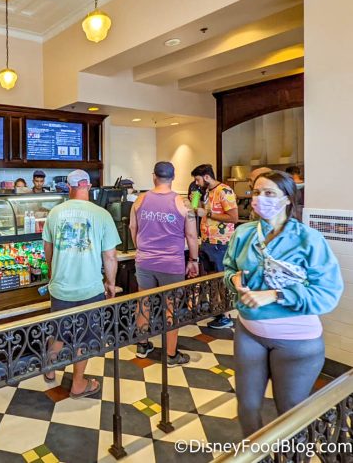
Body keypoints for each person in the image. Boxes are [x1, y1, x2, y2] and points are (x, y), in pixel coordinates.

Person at [223, 171, 342, 436]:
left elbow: (328, 293)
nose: (260, 199)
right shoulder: (243, 234)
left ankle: (292, 453)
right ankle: (256, 452)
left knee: (290, 412)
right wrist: (234, 279)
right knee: (247, 406)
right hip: (249, 332)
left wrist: (276, 294)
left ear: (287, 199)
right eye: (256, 192)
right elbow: (228, 268)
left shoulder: (308, 239)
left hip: (297, 340)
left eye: (269, 194)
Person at [42, 169, 120, 397]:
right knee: (84, 338)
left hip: (60, 287)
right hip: (90, 289)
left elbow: (48, 249)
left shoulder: (55, 213)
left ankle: (49, 369)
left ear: (69, 187)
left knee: (59, 332)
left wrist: (52, 274)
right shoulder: (102, 214)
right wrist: (111, 283)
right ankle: (78, 384)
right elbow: (110, 257)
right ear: (88, 186)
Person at [129, 162, 199, 367]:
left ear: (154, 176)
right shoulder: (183, 203)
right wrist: (193, 260)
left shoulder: (140, 200)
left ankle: (142, 345)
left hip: (144, 261)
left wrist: (141, 249)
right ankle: (170, 355)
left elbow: (133, 227)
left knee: (143, 301)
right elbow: (191, 236)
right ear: (173, 177)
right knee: (171, 306)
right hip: (171, 262)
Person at [191, 164, 239, 329]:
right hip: (207, 241)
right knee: (212, 278)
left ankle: (226, 315)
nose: (196, 183)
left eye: (197, 179)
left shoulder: (224, 191)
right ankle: (217, 311)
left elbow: (233, 217)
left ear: (206, 177)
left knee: (221, 280)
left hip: (221, 243)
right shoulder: (207, 192)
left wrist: (208, 213)